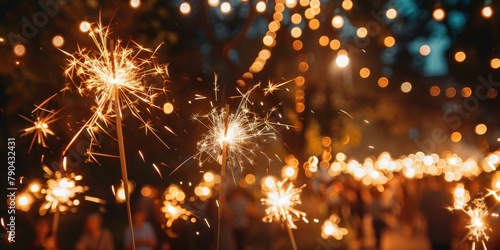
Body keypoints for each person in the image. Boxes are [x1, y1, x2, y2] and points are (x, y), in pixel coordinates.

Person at [419, 176, 454, 250]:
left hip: (432, 226)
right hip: (446, 228)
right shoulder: (447, 195)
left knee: (435, 246)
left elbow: (422, 211)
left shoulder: (426, 195)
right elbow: (452, 212)